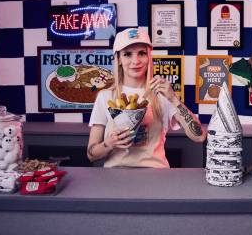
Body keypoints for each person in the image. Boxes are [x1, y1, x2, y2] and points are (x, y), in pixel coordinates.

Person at [87, 28, 205, 167]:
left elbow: (199, 136)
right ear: (118, 59)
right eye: (127, 54)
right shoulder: (105, 96)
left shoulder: (162, 94)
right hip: (115, 177)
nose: (135, 61)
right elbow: (91, 155)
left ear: (149, 56)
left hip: (156, 176)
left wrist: (173, 99)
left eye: (142, 53)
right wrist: (109, 143)